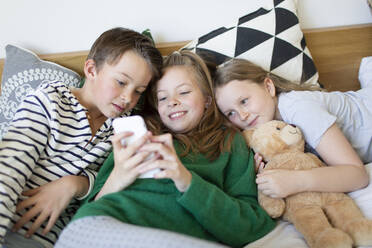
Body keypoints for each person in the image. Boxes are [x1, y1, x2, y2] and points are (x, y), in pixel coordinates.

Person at [55, 50, 275, 248]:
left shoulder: (230, 142)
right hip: (100, 227)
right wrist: (119, 174)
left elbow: (252, 225)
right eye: (162, 97)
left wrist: (187, 181)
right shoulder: (139, 134)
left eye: (184, 92)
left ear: (208, 100)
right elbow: (88, 208)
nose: (173, 102)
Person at [0, 27, 163, 248]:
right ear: (91, 69)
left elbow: (108, 193)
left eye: (139, 91)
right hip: (10, 228)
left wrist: (76, 184)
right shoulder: (49, 101)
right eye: (122, 82)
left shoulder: (123, 129)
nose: (128, 98)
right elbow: (8, 171)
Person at [213, 58, 371, 200]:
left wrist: (296, 181)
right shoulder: (263, 133)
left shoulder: (298, 107)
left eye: (244, 101)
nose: (242, 115)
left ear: (268, 87)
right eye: (231, 113)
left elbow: (358, 175)